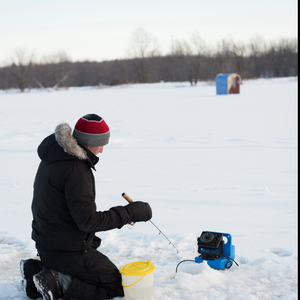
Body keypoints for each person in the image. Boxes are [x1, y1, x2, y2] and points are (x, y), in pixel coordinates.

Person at [20, 114, 152, 300]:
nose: (102, 150)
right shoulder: (76, 169)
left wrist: (87, 238)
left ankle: (38, 270)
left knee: (94, 252)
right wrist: (131, 213)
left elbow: (61, 210)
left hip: (47, 244)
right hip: (66, 252)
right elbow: (88, 221)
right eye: (100, 144)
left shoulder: (55, 156)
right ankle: (57, 282)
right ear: (89, 142)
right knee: (120, 287)